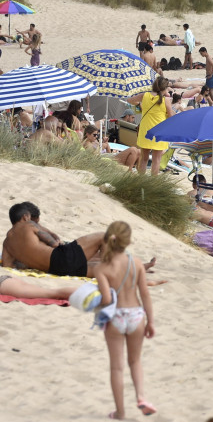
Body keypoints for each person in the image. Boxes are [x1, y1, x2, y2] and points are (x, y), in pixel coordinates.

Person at [94, 221, 156, 419]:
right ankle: (141, 397)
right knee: (135, 361)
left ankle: (120, 412)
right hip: (136, 315)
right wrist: (151, 321)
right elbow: (145, 294)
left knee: (117, 367)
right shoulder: (136, 262)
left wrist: (92, 302)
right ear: (127, 241)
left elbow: (106, 299)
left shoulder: (101, 268)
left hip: (116, 317)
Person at [3, 202, 107, 277]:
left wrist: (28, 261)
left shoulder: (6, 243)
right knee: (103, 236)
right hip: (60, 258)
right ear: (25, 217)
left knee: (96, 267)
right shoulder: (28, 225)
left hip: (54, 270)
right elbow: (53, 243)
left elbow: (8, 265)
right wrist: (57, 244)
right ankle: (112, 266)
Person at [127, 76, 173, 176]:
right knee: (156, 160)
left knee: (144, 158)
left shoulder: (145, 95)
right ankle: (153, 182)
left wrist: (139, 103)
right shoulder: (166, 100)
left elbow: (129, 100)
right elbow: (171, 117)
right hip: (159, 132)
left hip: (146, 131)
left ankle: (141, 180)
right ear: (164, 89)